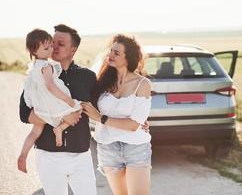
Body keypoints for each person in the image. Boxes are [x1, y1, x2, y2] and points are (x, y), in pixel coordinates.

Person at [19, 24, 97, 195]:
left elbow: (99, 112)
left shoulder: (88, 77)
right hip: (48, 156)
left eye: (60, 44)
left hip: (81, 157)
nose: (53, 46)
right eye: (52, 42)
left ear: (73, 49)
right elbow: (25, 114)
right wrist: (63, 118)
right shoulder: (38, 74)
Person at [82, 34, 152, 195]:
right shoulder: (102, 82)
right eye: (111, 51)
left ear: (128, 59)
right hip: (108, 147)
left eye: (116, 53)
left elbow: (133, 125)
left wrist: (100, 118)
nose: (110, 55)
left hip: (136, 147)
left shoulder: (142, 84)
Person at [17, 29, 82, 173]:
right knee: (77, 108)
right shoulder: (46, 66)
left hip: (39, 104)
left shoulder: (33, 67)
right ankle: (60, 128)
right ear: (34, 51)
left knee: (35, 131)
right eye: (46, 48)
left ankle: (23, 154)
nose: (51, 50)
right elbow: (51, 87)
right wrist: (67, 99)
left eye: (51, 46)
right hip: (52, 100)